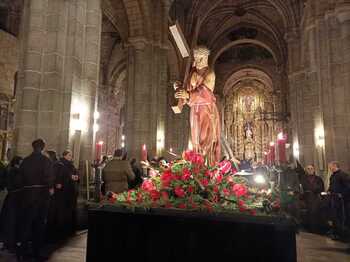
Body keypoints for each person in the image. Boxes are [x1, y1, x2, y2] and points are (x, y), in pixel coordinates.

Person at [175, 46, 221, 164]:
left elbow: (205, 92)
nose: (198, 61)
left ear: (206, 58)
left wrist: (188, 95)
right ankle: (197, 165)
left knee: (205, 137)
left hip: (206, 109)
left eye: (201, 58)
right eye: (196, 58)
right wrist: (180, 91)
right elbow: (188, 90)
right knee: (194, 138)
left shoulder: (210, 73)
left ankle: (207, 166)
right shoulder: (192, 73)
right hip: (195, 109)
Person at [16, 139, 54, 261]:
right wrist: (50, 188)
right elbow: (49, 177)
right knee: (39, 224)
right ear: (43, 148)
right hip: (41, 196)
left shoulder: (25, 161)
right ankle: (36, 252)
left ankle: (23, 251)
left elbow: (19, 180)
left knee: (26, 223)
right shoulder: (46, 160)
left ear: (33, 147)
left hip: (26, 196)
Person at [54, 150, 79, 239]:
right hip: (64, 192)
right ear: (64, 155)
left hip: (71, 191)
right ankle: (62, 231)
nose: (71, 156)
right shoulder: (59, 164)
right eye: (69, 155)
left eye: (71, 155)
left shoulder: (71, 165)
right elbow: (58, 176)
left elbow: (75, 173)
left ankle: (69, 230)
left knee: (71, 211)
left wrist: (76, 176)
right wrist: (69, 177)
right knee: (63, 212)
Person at [0, 156, 23, 252]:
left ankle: (8, 242)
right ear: (18, 162)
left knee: (9, 220)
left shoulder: (10, 170)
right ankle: (9, 242)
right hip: (14, 199)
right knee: (11, 221)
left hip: (11, 198)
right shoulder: (14, 171)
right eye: (21, 162)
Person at [327, 161, 350, 239]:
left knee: (341, 217)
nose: (329, 169)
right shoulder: (332, 176)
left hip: (341, 201)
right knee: (335, 217)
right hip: (334, 199)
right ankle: (337, 233)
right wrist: (328, 191)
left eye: (330, 167)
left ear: (335, 166)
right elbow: (331, 186)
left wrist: (342, 194)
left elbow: (347, 187)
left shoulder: (342, 175)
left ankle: (343, 234)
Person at [300, 165, 325, 233]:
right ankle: (311, 229)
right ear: (306, 170)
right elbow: (302, 189)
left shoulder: (318, 178)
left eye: (311, 168)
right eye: (308, 169)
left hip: (316, 198)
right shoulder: (303, 178)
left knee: (316, 213)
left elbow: (321, 188)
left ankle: (318, 229)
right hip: (307, 198)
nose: (310, 170)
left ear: (314, 170)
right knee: (309, 214)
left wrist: (314, 189)